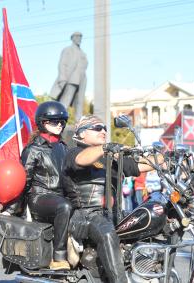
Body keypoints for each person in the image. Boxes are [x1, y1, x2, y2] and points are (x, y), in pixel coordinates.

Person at [62, 115, 159, 283]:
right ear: (82, 133)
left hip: (111, 213)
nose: (104, 131)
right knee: (107, 233)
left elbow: (139, 166)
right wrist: (105, 148)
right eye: (97, 128)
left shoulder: (110, 158)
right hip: (84, 215)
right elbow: (81, 160)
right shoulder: (74, 152)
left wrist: (164, 158)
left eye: (105, 128)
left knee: (149, 220)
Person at [21, 101, 72, 270]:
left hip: (60, 196)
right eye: (54, 121)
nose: (59, 124)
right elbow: (24, 181)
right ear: (43, 122)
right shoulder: (33, 149)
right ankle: (59, 258)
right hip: (39, 197)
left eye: (62, 121)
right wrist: (16, 208)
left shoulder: (64, 147)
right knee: (64, 207)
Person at [50, 32, 88, 120]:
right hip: (72, 78)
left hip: (82, 78)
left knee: (80, 102)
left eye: (80, 37)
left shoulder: (82, 52)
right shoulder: (68, 50)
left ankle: (78, 121)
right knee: (66, 99)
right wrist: (62, 77)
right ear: (73, 38)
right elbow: (62, 64)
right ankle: (58, 118)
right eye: (77, 37)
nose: (79, 39)